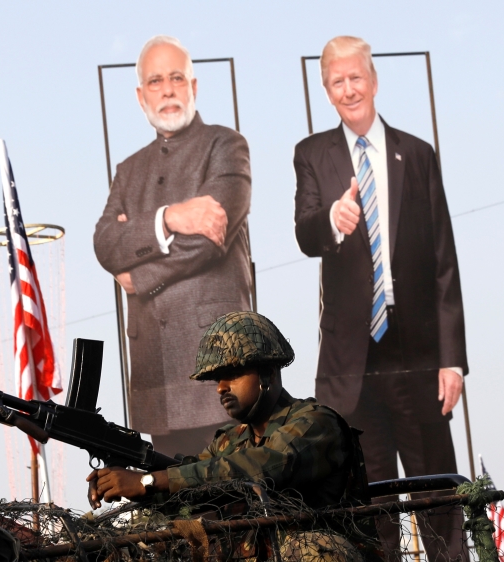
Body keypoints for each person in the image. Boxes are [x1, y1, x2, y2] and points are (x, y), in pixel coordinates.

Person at [293, 35, 469, 560]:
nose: (348, 90)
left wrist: (452, 360)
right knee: (368, 510)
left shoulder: (417, 155)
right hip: (351, 364)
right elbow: (305, 233)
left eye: (355, 78)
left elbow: (443, 260)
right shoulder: (311, 155)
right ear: (326, 91)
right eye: (336, 82)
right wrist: (333, 218)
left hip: (417, 356)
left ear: (373, 81)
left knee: (437, 496)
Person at [93, 35, 252, 455]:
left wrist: (140, 273)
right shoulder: (128, 170)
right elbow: (105, 243)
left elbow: (209, 244)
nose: (167, 90)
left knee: (237, 493)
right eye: (156, 81)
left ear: (193, 86)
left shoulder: (226, 145)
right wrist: (169, 218)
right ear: (141, 95)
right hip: (155, 378)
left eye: (177, 78)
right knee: (171, 497)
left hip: (221, 369)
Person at [87, 311, 365, 511]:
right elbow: (192, 486)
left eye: (232, 374)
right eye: (216, 379)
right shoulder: (230, 441)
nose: (221, 388)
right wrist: (121, 483)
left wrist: (148, 481)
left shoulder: (316, 423)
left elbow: (263, 466)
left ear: (268, 374)